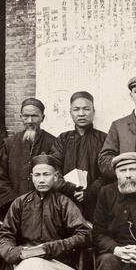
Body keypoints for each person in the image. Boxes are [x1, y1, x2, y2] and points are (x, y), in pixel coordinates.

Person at [0, 98, 56, 217]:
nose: (30, 120)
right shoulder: (9, 144)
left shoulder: (53, 142)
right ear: (21, 117)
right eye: (26, 116)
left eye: (34, 116)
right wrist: (17, 203)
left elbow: (57, 176)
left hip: (46, 209)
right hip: (15, 208)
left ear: (43, 118)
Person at [50, 91, 109, 222]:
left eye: (86, 109)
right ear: (70, 112)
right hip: (66, 200)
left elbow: (108, 172)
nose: (81, 113)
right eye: (76, 109)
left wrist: (89, 193)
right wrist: (70, 189)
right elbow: (54, 167)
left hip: (96, 201)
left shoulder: (104, 138)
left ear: (93, 111)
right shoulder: (63, 139)